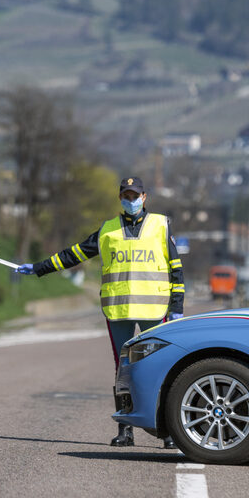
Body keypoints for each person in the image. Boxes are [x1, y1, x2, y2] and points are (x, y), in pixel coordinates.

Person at [16, 176, 185, 448]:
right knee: (124, 371)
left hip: (154, 309)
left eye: (135, 195)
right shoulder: (107, 230)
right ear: (120, 198)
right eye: (126, 196)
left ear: (145, 197)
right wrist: (39, 268)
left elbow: (176, 269)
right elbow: (75, 254)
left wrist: (177, 307)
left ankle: (167, 432)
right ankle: (126, 429)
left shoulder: (160, 226)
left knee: (160, 368)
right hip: (118, 311)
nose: (130, 201)